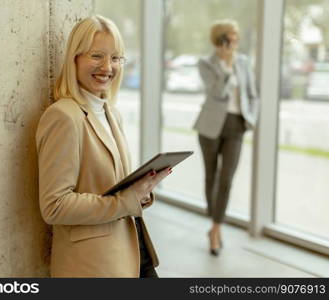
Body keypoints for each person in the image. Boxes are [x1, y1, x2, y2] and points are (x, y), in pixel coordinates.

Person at [35, 15, 171, 277]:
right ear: (74, 58)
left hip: (131, 252)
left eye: (116, 57)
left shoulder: (111, 112)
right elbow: (54, 205)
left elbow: (112, 188)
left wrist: (142, 190)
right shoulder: (64, 116)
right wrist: (126, 201)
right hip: (93, 265)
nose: (107, 66)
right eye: (96, 55)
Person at [194, 19, 259, 256]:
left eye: (236, 36)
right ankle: (214, 218)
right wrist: (226, 64)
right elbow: (216, 93)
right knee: (211, 177)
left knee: (226, 179)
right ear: (221, 39)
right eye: (232, 36)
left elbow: (253, 94)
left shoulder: (244, 62)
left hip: (236, 125)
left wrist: (251, 117)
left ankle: (215, 228)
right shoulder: (206, 63)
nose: (236, 41)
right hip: (210, 127)